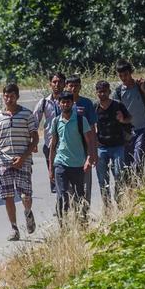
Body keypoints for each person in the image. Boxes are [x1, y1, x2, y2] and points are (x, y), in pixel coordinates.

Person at [0, 83, 39, 241]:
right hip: (4, 161)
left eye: (11, 96)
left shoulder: (27, 114)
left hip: (23, 161)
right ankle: (14, 228)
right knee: (8, 195)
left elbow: (35, 138)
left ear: (17, 97)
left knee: (25, 195)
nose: (8, 99)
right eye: (6, 96)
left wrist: (23, 157)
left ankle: (28, 212)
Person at [48, 91, 96, 224]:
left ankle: (81, 223)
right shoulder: (56, 121)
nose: (65, 104)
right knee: (62, 195)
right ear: (59, 103)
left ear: (72, 103)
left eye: (68, 102)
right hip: (60, 163)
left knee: (79, 196)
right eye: (62, 102)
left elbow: (89, 141)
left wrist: (88, 159)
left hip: (77, 165)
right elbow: (53, 146)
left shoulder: (81, 120)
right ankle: (63, 225)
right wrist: (51, 168)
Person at [112, 59, 145, 186]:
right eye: (120, 76)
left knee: (138, 163)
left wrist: (143, 89)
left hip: (142, 130)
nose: (123, 78)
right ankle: (132, 191)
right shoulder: (118, 92)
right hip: (127, 133)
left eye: (126, 75)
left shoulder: (141, 85)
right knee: (127, 165)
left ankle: (142, 189)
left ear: (131, 72)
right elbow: (116, 113)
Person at [94, 80, 132, 211]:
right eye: (100, 92)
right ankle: (107, 206)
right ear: (96, 93)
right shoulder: (95, 108)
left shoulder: (118, 105)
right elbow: (89, 126)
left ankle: (120, 200)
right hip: (101, 148)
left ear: (109, 91)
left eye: (105, 91)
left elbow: (129, 118)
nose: (102, 94)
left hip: (117, 146)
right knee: (102, 179)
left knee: (119, 175)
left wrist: (122, 119)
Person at [64, 74, 98, 207]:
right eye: (70, 86)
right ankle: (73, 215)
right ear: (66, 86)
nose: (73, 89)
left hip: (84, 150)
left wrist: (94, 152)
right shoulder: (62, 103)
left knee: (84, 185)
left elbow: (92, 128)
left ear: (80, 87)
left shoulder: (86, 103)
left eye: (76, 86)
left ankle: (84, 214)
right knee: (69, 188)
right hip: (67, 150)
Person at [33, 72, 64, 193]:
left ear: (64, 84)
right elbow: (34, 121)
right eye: (54, 82)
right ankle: (61, 206)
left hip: (67, 144)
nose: (57, 85)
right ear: (50, 84)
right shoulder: (44, 102)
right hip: (50, 144)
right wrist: (33, 141)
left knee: (66, 176)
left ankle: (67, 206)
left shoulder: (68, 101)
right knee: (54, 177)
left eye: (60, 82)